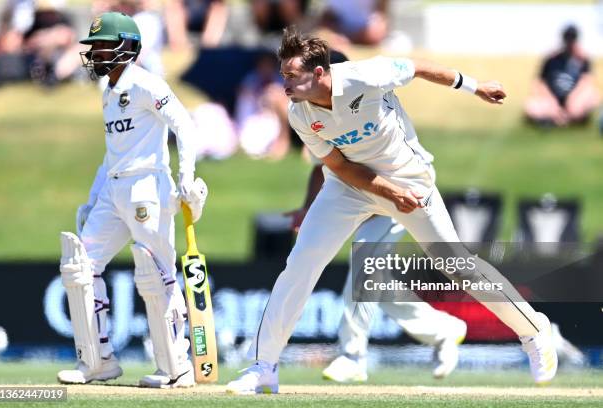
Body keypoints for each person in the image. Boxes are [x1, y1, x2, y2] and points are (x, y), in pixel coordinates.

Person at [226, 27, 558, 394]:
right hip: (349, 188)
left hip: (412, 182)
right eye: (282, 74)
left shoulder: (365, 76)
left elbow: (416, 68)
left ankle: (534, 331)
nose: (283, 83)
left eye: (291, 75)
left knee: (458, 266)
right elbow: (340, 168)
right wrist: (387, 193)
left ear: (319, 73)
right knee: (301, 264)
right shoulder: (299, 114)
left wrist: (474, 86)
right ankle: (264, 367)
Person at [57, 11, 207, 388]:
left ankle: (176, 367)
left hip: (147, 187)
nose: (96, 54)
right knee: (80, 267)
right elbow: (113, 152)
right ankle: (97, 361)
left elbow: (184, 125)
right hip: (114, 187)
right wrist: (94, 198)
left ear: (127, 47)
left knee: (156, 275)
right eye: (94, 47)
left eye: (104, 46)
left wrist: (186, 175)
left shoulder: (146, 84)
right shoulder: (107, 91)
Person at [289, 165, 467, 382]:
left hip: (402, 193)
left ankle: (353, 355)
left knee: (364, 261)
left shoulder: (367, 131)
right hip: (372, 196)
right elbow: (321, 168)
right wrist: (308, 208)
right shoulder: (319, 131)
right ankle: (443, 329)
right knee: (375, 284)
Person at [524, 25, 600, 127]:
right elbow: (539, 82)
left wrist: (572, 100)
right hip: (552, 99)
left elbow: (586, 82)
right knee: (531, 106)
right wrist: (552, 102)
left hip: (574, 100)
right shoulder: (551, 59)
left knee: (593, 96)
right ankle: (557, 118)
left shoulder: (582, 59)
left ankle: (567, 118)